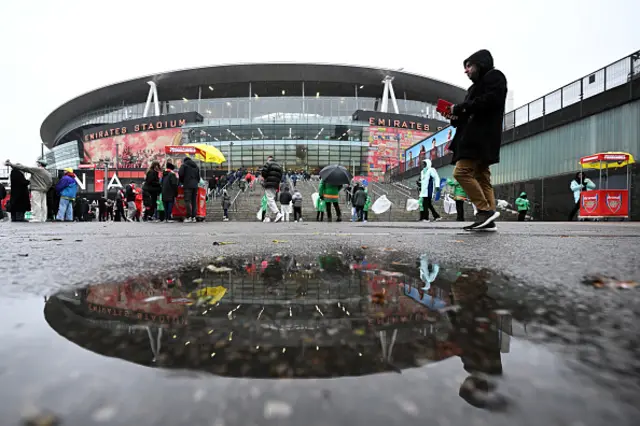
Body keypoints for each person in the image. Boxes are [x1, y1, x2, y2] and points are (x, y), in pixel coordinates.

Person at [447, 49, 508, 232]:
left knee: (462, 172)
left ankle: (484, 211)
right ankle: (488, 218)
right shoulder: (474, 88)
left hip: (479, 137)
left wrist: (460, 108)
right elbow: (469, 111)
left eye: (469, 66)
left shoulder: (495, 77)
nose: (466, 71)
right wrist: (455, 115)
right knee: (482, 176)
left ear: (479, 64)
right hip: (477, 137)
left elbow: (488, 101)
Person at [260, 156, 283, 223]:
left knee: (269, 199)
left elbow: (264, 173)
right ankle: (267, 217)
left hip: (269, 183)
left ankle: (277, 213)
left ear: (269, 159)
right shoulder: (279, 166)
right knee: (270, 199)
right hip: (275, 184)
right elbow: (281, 175)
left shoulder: (268, 163)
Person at [178, 155, 201, 223]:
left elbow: (180, 174)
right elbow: (198, 178)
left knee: (187, 200)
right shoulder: (196, 167)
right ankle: (194, 217)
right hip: (195, 186)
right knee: (194, 201)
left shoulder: (184, 165)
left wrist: (182, 181)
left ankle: (189, 216)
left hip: (187, 185)